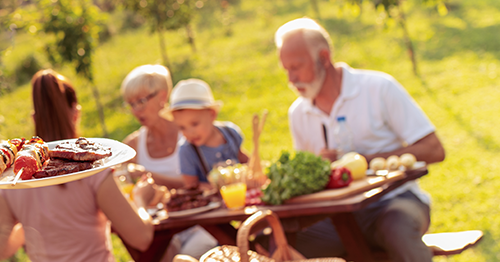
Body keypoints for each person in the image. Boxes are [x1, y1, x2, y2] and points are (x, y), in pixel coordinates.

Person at [275, 17, 446, 262]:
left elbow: (434, 150)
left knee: (396, 227)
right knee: (276, 245)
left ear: (324, 57)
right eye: (286, 69)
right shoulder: (298, 113)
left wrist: (366, 160)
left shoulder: (378, 88)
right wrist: (320, 169)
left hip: (394, 202)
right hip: (337, 218)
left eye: (296, 66)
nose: (291, 78)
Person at [0, 69, 153, 262]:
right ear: (75, 114)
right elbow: (141, 238)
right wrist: (141, 199)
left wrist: (31, 225)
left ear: (34, 119)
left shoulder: (15, 176)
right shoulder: (92, 171)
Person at [121, 65, 218, 260]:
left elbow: (207, 181)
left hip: (202, 224)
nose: (136, 110)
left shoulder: (191, 131)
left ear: (162, 97)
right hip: (163, 228)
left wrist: (150, 176)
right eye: (131, 104)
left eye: (141, 101)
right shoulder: (131, 146)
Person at [161, 78, 249, 189]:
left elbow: (243, 158)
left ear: (212, 115)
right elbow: (192, 185)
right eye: (182, 127)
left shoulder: (230, 132)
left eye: (195, 124)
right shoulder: (187, 150)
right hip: (213, 202)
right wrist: (219, 188)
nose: (190, 133)